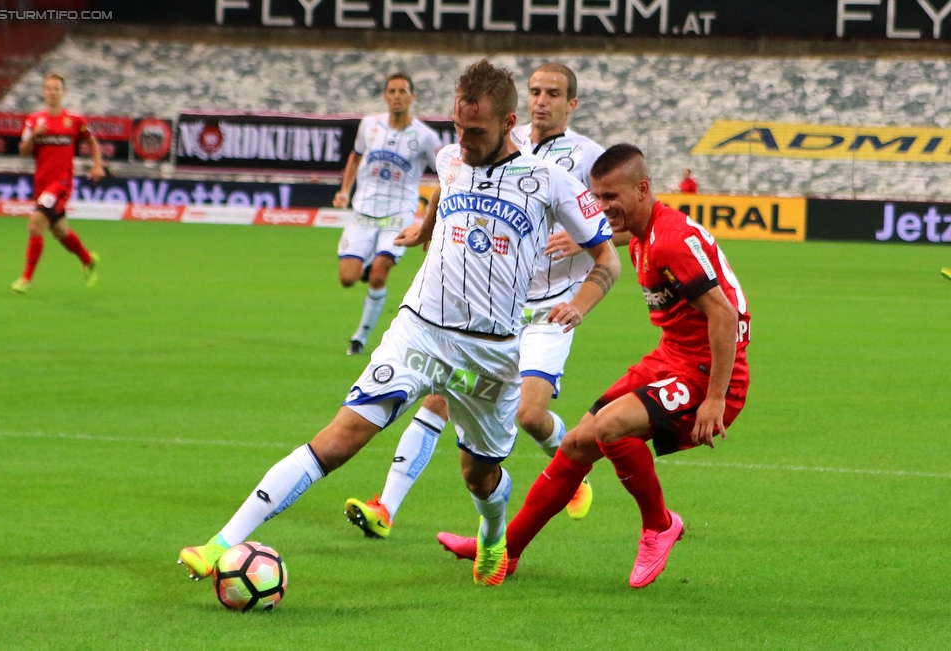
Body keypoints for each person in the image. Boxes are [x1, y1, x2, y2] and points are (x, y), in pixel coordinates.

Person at [178, 60, 619, 588]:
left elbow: (608, 261)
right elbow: (446, 189)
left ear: (507, 123)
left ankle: (493, 532)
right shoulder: (451, 156)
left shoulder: (551, 181)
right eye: (458, 126)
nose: (464, 140)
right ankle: (221, 542)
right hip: (421, 332)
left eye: (476, 131)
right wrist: (425, 227)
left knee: (478, 476)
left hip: (494, 353)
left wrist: (581, 304)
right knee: (341, 438)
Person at [437, 144, 750, 589]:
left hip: (708, 373)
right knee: (579, 443)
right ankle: (507, 549)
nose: (601, 207)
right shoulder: (648, 229)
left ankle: (660, 525)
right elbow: (618, 237)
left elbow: (724, 314)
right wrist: (585, 238)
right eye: (596, 197)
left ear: (643, 190)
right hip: (671, 359)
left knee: (610, 428)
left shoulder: (673, 241)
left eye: (610, 197)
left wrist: (716, 397)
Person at [343, 62, 621, 542]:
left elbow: (620, 217)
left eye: (553, 93)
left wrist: (583, 242)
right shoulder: (497, 138)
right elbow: (451, 181)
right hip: (485, 308)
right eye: (535, 91)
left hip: (550, 308)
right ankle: (386, 505)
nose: (542, 100)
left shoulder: (588, 157)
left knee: (530, 415)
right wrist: (426, 230)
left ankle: (570, 472)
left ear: (572, 104)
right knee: (436, 397)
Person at [332, 72, 443, 356]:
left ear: (412, 97)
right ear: (385, 96)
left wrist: (436, 220)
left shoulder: (426, 136)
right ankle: (367, 267)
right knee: (347, 278)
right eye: (392, 91)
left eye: (402, 91)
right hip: (364, 212)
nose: (397, 96)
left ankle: (360, 338)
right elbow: (355, 156)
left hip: (399, 214)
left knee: (379, 276)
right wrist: (345, 189)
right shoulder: (369, 125)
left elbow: (447, 173)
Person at [11, 72, 104, 294]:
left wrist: (97, 165)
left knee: (35, 224)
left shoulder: (74, 121)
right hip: (41, 183)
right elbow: (23, 152)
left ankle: (25, 279)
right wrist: (34, 136)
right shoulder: (33, 121)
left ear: (63, 93)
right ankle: (88, 260)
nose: (52, 93)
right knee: (60, 231)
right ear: (44, 92)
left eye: (56, 89)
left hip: (61, 183)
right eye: (48, 88)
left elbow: (91, 141)